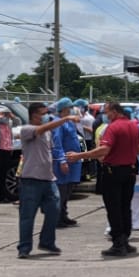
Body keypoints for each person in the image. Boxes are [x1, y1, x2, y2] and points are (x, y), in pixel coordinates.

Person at [70, 102, 139, 258]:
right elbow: (138, 149)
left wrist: (80, 155)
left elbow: (104, 149)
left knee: (114, 208)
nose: (105, 115)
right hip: (129, 171)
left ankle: (118, 243)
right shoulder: (134, 126)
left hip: (113, 172)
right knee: (125, 207)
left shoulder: (113, 127)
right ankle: (125, 240)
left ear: (115, 112)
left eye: (107, 111)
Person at [16, 102, 77, 258]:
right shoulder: (27, 129)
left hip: (49, 179)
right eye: (43, 113)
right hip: (31, 179)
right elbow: (41, 129)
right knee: (28, 215)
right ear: (34, 114)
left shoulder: (48, 133)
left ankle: (47, 241)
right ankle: (24, 247)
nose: (46, 117)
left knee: (54, 210)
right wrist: (65, 119)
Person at [50, 98, 83, 229]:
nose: (71, 110)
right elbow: (57, 143)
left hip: (73, 161)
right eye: (69, 108)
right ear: (64, 109)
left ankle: (63, 215)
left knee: (68, 191)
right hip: (64, 162)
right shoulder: (58, 123)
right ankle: (56, 218)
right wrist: (62, 160)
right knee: (61, 192)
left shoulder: (69, 122)